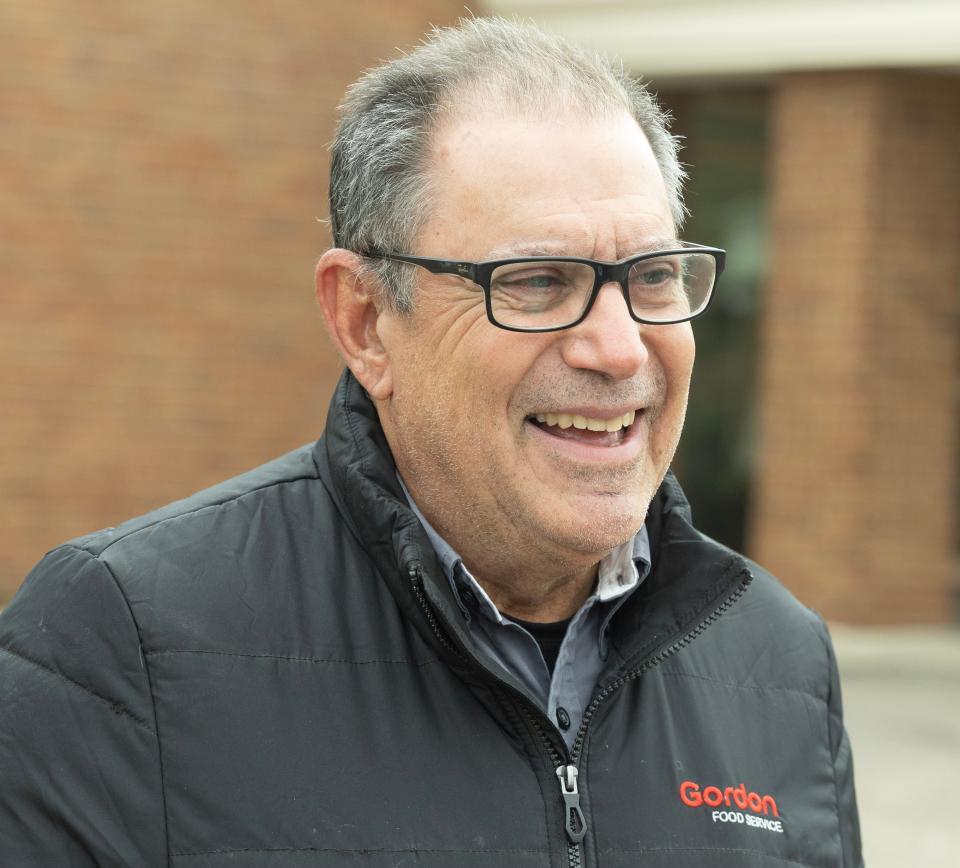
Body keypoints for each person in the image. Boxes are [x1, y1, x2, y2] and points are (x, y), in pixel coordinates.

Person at [0, 17, 862, 867]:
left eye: (653, 276)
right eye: (535, 281)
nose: (619, 347)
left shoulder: (780, 663)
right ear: (366, 322)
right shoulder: (122, 650)